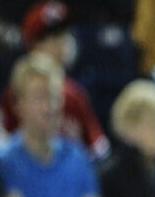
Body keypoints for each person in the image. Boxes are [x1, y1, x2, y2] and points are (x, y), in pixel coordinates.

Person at [0, 52, 110, 197]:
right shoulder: (7, 161)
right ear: (18, 105)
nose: (48, 107)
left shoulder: (78, 158)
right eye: (39, 98)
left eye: (53, 97)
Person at [1, 1, 109, 160]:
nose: (61, 44)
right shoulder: (15, 93)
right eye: (52, 37)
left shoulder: (74, 95)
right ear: (34, 45)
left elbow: (100, 150)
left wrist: (77, 149)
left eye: (64, 34)